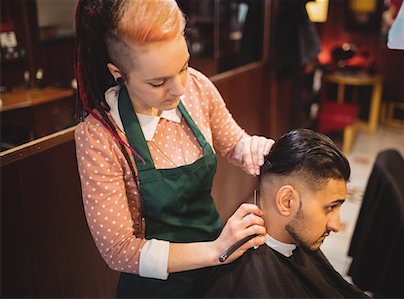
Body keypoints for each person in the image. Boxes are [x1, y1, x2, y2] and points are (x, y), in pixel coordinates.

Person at [73, 0, 274, 297]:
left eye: (183, 67)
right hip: (156, 288)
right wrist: (215, 250)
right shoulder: (99, 136)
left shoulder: (198, 88)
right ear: (119, 73)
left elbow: (235, 144)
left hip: (216, 274)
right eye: (158, 82)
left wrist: (253, 149)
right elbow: (119, 250)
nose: (179, 89)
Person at [201, 128, 370, 298]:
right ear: (287, 201)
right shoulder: (244, 282)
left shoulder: (298, 240)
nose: (336, 226)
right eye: (330, 208)